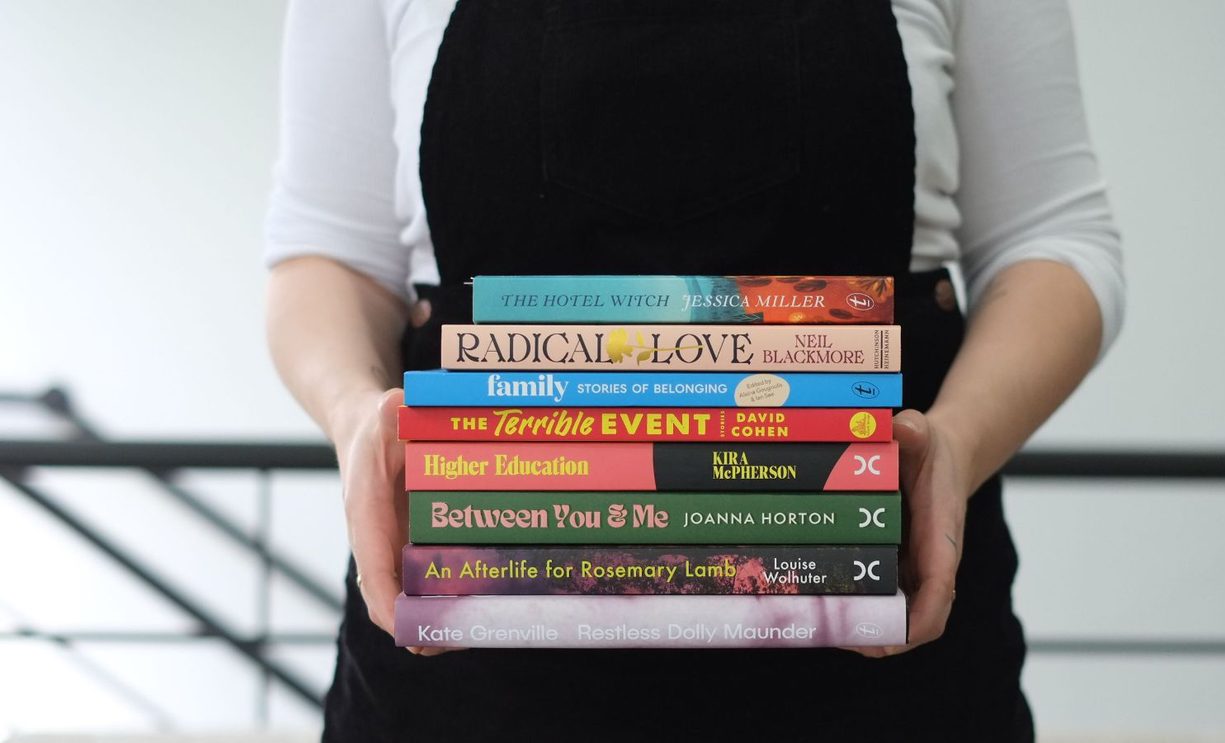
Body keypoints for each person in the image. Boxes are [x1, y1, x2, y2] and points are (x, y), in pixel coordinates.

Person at [264, 0, 1125, 740]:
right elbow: (326, 253)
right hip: (469, 652)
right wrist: (353, 414)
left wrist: (960, 441)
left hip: (885, 620)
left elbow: (1054, 238)